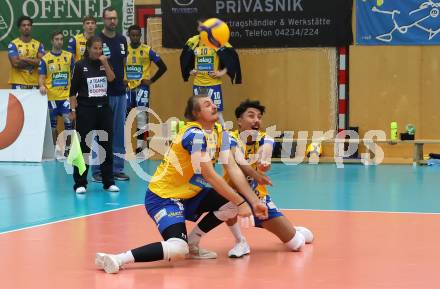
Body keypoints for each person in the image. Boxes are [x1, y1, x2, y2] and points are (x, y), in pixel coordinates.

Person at [95, 94, 268, 274]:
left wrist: (252, 202)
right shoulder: (193, 134)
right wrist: (241, 202)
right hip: (164, 197)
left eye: (213, 103)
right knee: (178, 249)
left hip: (192, 194)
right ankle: (118, 258)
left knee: (231, 203)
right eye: (207, 105)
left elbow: (232, 168)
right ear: (196, 113)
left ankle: (193, 243)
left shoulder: (219, 132)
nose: (214, 106)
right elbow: (209, 175)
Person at [195, 99, 314, 258]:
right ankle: (240, 241)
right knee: (226, 202)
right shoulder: (229, 139)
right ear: (239, 121)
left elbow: (266, 149)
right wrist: (255, 172)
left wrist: (264, 161)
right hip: (234, 192)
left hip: (258, 197)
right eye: (251, 116)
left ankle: (295, 231)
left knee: (296, 244)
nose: (256, 120)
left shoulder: (266, 138)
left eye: (259, 116)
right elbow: (238, 164)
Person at [69, 36, 119, 194]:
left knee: (106, 146)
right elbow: (72, 92)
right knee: (84, 147)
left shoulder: (104, 63)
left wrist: (105, 62)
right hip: (85, 110)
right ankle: (80, 183)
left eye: (100, 49)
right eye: (95, 48)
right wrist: (73, 111)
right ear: (88, 49)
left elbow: (112, 79)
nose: (98, 51)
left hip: (104, 109)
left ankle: (108, 182)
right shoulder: (80, 65)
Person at [92, 7, 129, 182]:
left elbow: (123, 63)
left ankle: (117, 168)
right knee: (100, 131)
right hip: (102, 94)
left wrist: (125, 80)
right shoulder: (97, 41)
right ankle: (98, 170)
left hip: (120, 93)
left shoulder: (122, 40)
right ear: (103, 20)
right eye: (109, 18)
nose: (112, 21)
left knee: (119, 132)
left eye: (115, 18)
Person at [180, 20, 242, 126]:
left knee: (217, 114)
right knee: (198, 115)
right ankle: (202, 138)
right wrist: (190, 71)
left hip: (214, 85)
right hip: (198, 85)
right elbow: (184, 58)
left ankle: (224, 140)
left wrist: (221, 73)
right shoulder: (193, 41)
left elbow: (232, 59)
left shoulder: (217, 41)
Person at [125, 24, 167, 153]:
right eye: (133, 35)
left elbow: (163, 67)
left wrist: (152, 80)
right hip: (127, 88)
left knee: (141, 117)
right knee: (123, 117)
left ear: (140, 35)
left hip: (142, 88)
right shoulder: (124, 50)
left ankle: (140, 147)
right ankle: (123, 146)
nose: (135, 37)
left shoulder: (147, 50)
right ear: (129, 35)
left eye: (138, 35)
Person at [38, 31, 75, 159]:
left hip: (65, 97)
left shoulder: (69, 56)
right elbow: (41, 77)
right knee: (52, 126)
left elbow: (73, 75)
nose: (59, 41)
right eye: (56, 39)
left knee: (69, 121)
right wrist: (41, 85)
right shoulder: (45, 59)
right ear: (52, 41)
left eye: (61, 39)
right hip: (51, 98)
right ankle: (54, 149)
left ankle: (69, 150)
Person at [8, 16, 45, 89]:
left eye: (28, 25)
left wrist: (23, 59)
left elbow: (41, 63)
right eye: (24, 25)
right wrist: (34, 61)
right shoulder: (13, 44)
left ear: (31, 27)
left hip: (35, 84)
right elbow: (16, 63)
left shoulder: (38, 44)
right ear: (19, 28)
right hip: (18, 84)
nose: (26, 27)